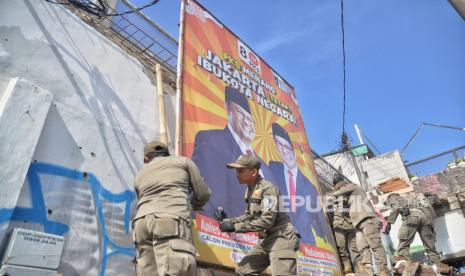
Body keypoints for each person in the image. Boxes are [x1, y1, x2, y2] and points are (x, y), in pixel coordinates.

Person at [192, 86, 275, 217]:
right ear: (228, 109)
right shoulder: (212, 141)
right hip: (232, 233)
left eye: (250, 119)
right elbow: (209, 202)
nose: (247, 122)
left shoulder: (266, 168)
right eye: (241, 113)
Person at [132, 141, 211, 276]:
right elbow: (203, 193)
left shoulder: (139, 175)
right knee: (176, 269)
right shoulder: (183, 162)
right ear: (167, 153)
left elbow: (141, 199)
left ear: (146, 158)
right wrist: (193, 205)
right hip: (170, 220)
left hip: (140, 225)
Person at [218, 154, 300, 275]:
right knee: (243, 271)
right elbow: (249, 215)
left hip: (281, 237)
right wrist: (228, 221)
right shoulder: (251, 190)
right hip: (267, 239)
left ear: (253, 172)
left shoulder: (268, 189)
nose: (237, 174)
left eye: (240, 170)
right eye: (236, 171)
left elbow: (267, 221)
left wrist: (235, 227)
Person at [269, 122, 330, 245]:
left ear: (292, 149)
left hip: (305, 242)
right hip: (281, 236)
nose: (283, 151)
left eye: (285, 146)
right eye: (279, 145)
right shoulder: (273, 168)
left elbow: (319, 218)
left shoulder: (309, 186)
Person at [331, 178, 389, 276]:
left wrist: (333, 191)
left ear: (343, 186)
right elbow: (341, 205)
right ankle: (368, 271)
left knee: (375, 246)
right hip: (358, 225)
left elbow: (336, 194)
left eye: (340, 188)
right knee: (363, 248)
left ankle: (383, 271)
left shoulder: (354, 187)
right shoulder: (351, 196)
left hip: (367, 220)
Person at [384, 192, 444, 266]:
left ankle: (405, 261)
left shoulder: (393, 197)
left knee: (404, 241)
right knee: (429, 244)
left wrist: (389, 223)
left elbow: (395, 208)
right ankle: (437, 262)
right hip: (425, 218)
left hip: (412, 217)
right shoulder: (410, 198)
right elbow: (425, 208)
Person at [326, 177, 361, 274]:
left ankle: (360, 266)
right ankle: (347, 265)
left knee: (356, 247)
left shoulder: (349, 192)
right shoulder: (331, 195)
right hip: (338, 224)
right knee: (341, 247)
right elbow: (327, 206)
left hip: (351, 223)